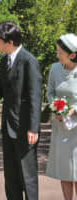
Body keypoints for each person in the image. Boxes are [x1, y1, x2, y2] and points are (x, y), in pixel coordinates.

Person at [0, 21, 42, 200]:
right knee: (10, 177)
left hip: (25, 129)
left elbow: (35, 96)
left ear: (9, 42)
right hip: (7, 128)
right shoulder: (4, 61)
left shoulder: (29, 61)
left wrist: (33, 128)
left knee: (28, 177)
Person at [46, 33, 77, 200]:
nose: (57, 55)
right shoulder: (54, 68)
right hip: (61, 127)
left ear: (72, 55)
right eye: (57, 51)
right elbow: (50, 92)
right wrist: (56, 108)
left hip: (76, 127)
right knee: (65, 169)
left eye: (60, 52)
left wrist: (73, 110)